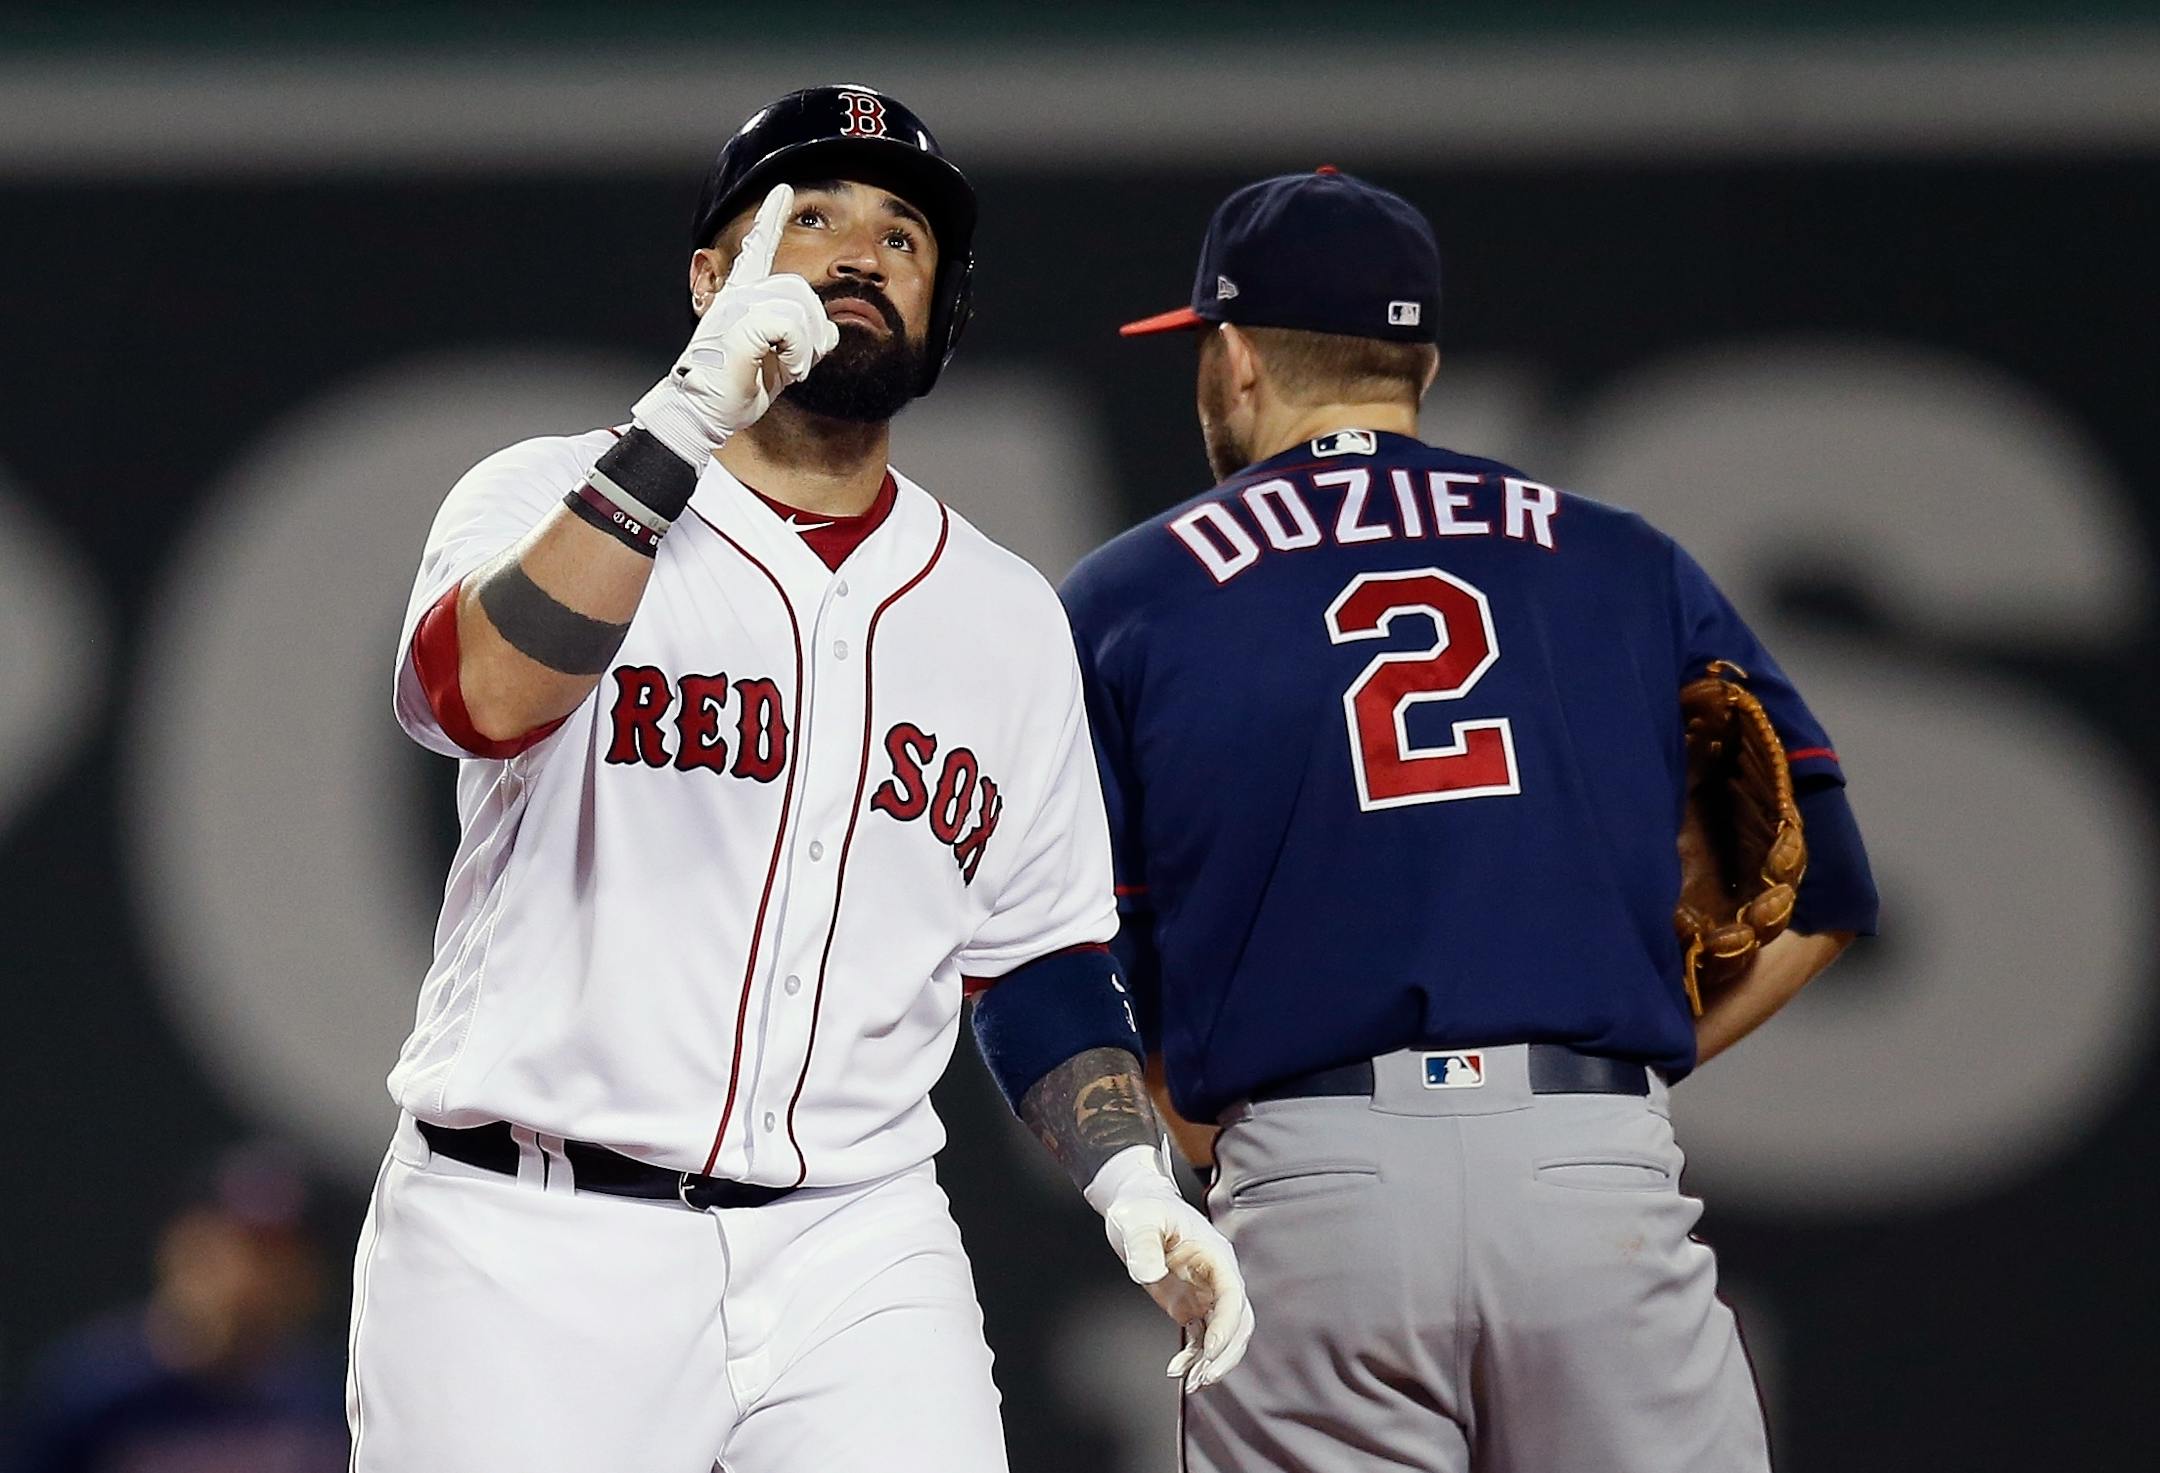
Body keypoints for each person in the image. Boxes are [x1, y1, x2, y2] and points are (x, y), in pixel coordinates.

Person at [350, 85, 1248, 1473]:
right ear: (714, 276)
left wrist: (1135, 1180)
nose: (856, 254)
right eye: (810, 215)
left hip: (857, 1237)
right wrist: (686, 418)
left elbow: (1038, 959)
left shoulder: (1002, 612)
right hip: (524, 1237)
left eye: (902, 237)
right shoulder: (545, 486)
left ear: (941, 310)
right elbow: (480, 696)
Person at [1062, 167, 1879, 1472]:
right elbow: (1827, 889)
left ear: (1234, 360)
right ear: (1419, 358)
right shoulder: (1623, 558)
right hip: (1587, 1169)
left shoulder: (1126, 595)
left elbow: (1069, 954)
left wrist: (1218, 1128)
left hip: (1317, 1188)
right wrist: (1613, 1070)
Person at [12, 1145, 347, 1473]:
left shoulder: (330, 1400)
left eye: (279, 1257)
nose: (251, 1275)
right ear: (181, 1245)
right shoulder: (95, 1389)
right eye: (233, 1247)